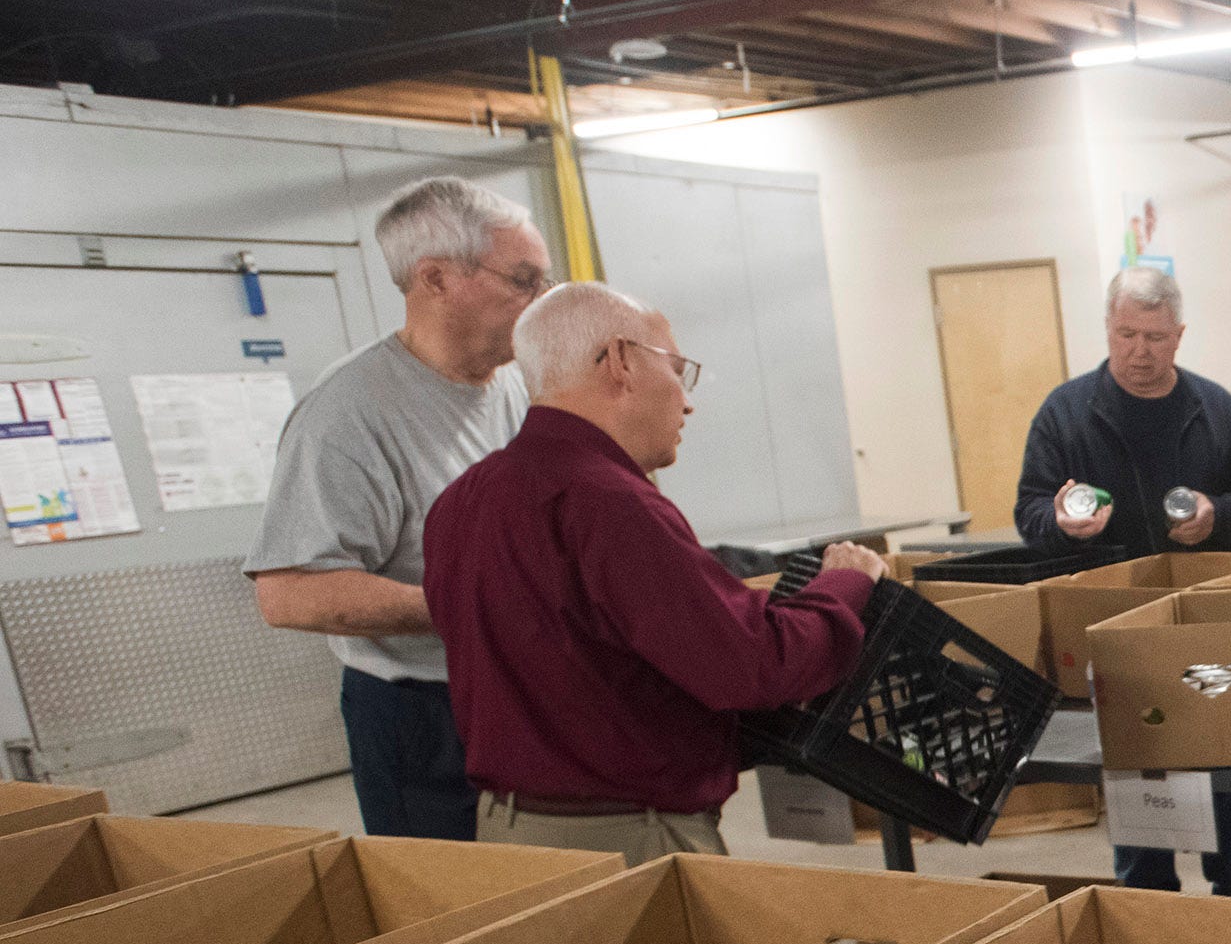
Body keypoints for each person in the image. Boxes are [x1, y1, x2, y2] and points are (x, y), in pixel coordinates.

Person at [424, 282, 886, 865]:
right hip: (627, 839)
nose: (687, 402)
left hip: (509, 838)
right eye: (677, 370)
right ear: (619, 361)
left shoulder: (464, 498)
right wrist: (844, 583)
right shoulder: (609, 503)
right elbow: (752, 666)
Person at [247, 175, 549, 839]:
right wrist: (476, 604)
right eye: (523, 281)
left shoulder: (518, 389)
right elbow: (290, 593)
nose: (541, 301)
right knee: (457, 905)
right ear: (437, 279)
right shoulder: (351, 413)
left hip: (523, 689)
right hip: (424, 717)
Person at [1019, 266, 1231, 897]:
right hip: (1115, 637)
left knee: (1227, 775)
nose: (1140, 351)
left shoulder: (1215, 410)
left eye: (1156, 337)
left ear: (1180, 334)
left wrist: (1217, 516)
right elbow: (1030, 512)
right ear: (1108, 329)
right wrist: (1061, 526)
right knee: (1140, 792)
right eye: (1126, 334)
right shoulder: (1066, 415)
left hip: (1206, 629)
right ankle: (1147, 911)